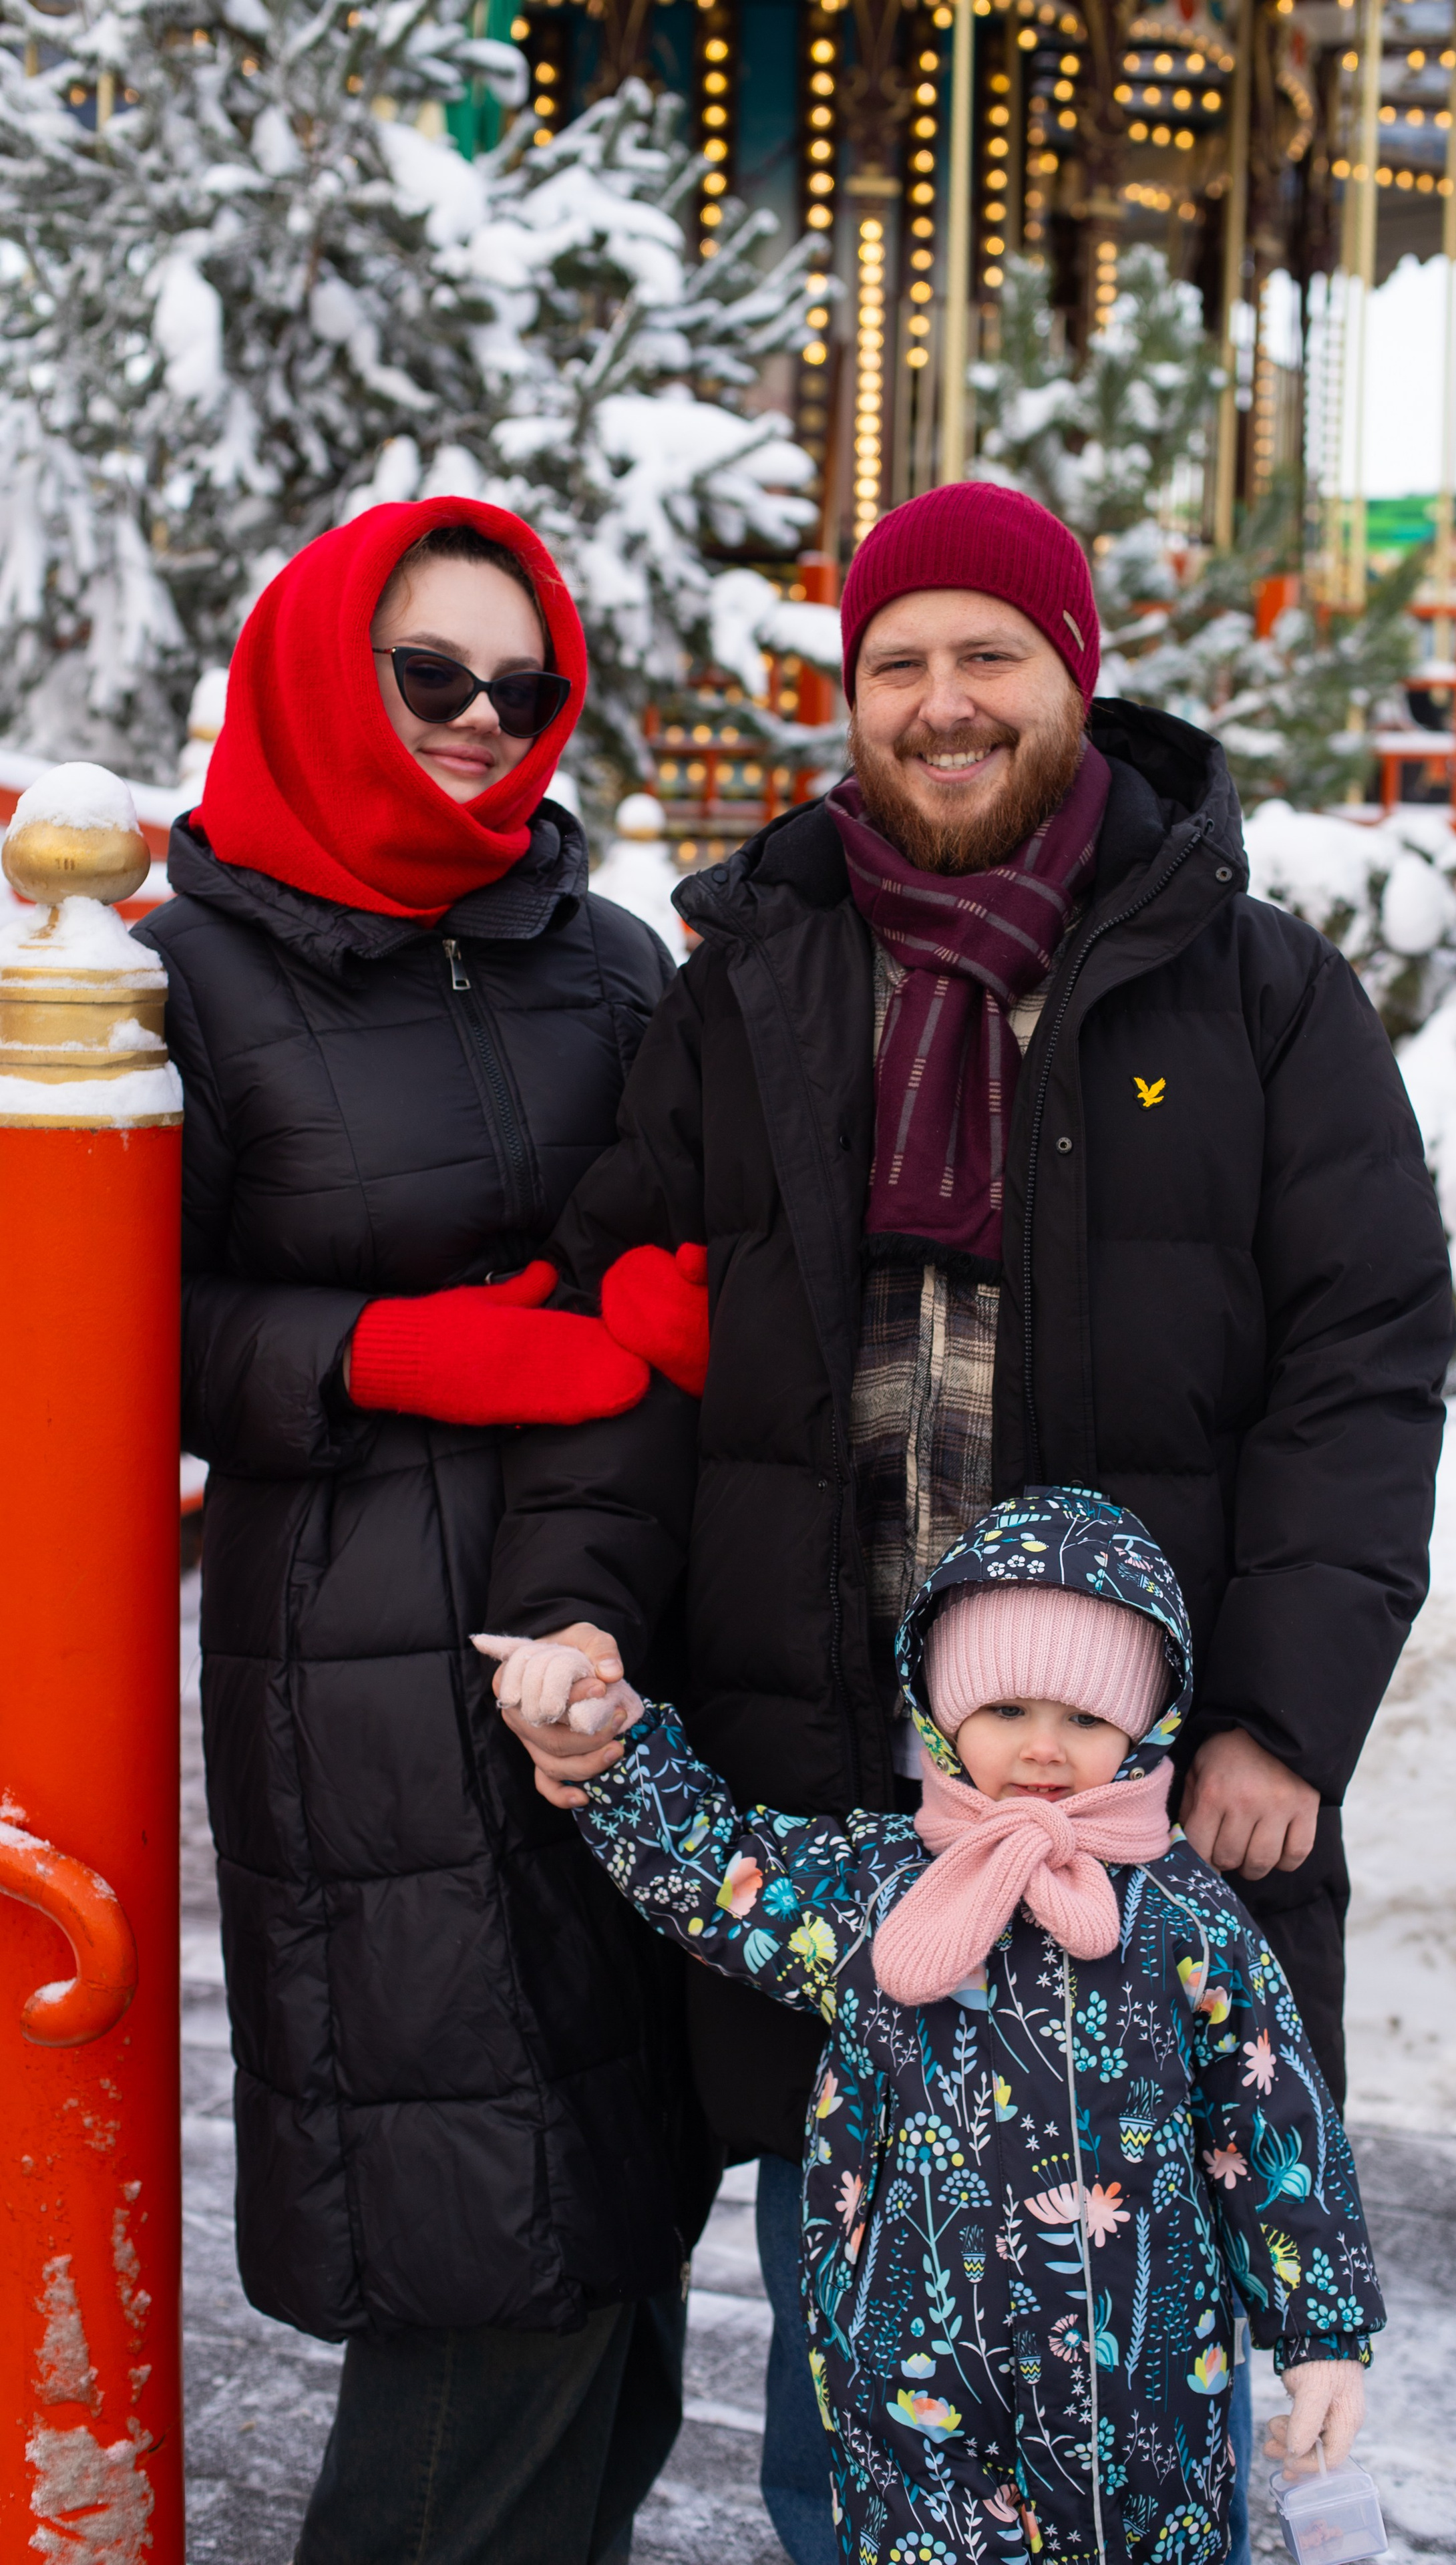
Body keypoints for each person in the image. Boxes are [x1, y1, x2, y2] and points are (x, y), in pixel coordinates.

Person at [476, 480, 1455, 2561]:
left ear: (1073, 678)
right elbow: (629, 1334)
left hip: (1137, 1814)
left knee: (1149, 2398)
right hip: (849, 1810)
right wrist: (570, 1619)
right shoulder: (748, 990)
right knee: (861, 2411)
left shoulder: (1257, 996)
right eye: (895, 663)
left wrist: (1278, 1712)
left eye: (987, 655)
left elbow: (1361, 1368)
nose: (940, 703)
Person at [136, 495, 718, 2565]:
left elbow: (683, 1211)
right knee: (489, 2240)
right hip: (365, 1662)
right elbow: (104, 1331)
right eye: (432, 677)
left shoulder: (608, 951)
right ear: (319, 672)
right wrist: (381, 1352)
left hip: (623, 1617)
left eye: (524, 686)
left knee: (624, 2226)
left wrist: (672, 1298)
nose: (484, 722)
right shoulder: (186, 971)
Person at [484, 1486, 1385, 2565]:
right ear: (941, 1713)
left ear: (1145, 1727)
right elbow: (718, 1874)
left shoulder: (1181, 1914)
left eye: (1085, 1719)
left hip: (1148, 2393)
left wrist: (1320, 2335)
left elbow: (1272, 2122)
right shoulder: (875, 1885)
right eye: (1006, 1711)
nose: (1043, 1750)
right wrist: (618, 1740)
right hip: (918, 2385)